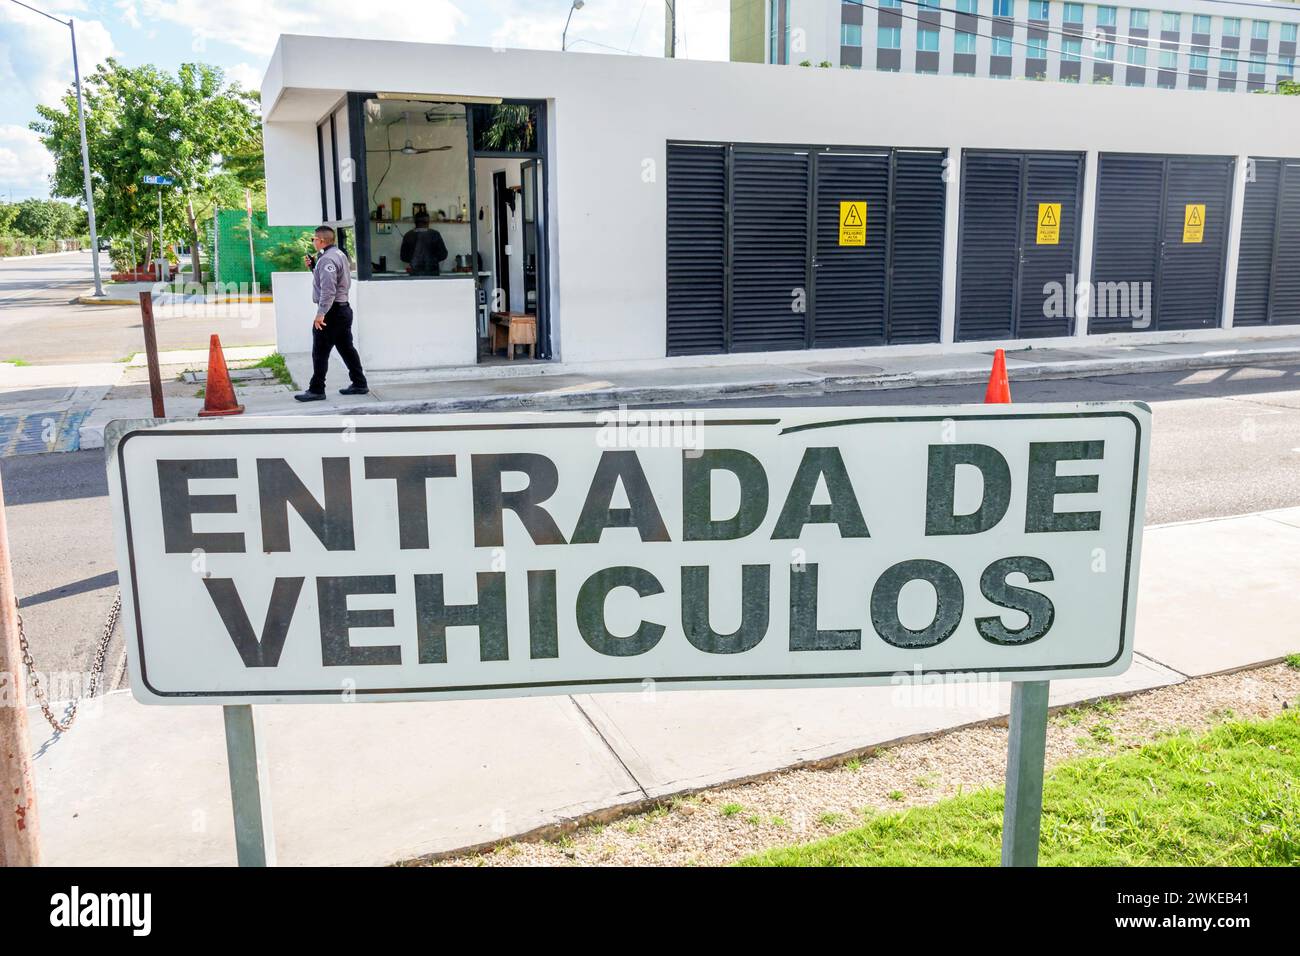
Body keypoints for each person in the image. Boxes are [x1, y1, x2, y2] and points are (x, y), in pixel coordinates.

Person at [295, 226, 368, 401]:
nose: (312, 242)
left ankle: (317, 389)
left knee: (320, 351)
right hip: (342, 310)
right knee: (346, 348)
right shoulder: (338, 254)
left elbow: (328, 290)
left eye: (314, 239)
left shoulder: (327, 259)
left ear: (320, 240)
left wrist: (321, 314)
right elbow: (331, 280)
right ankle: (359, 383)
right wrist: (313, 267)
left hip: (332, 312)